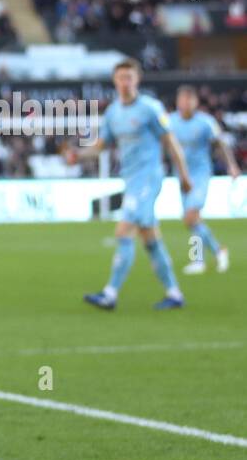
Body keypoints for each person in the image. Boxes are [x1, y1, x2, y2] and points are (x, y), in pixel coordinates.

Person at [70, 60, 191, 310]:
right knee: (150, 237)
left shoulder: (150, 108)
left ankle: (110, 294)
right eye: (120, 77)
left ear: (137, 79)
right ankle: (174, 293)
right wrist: (78, 156)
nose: (125, 82)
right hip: (131, 179)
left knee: (123, 231)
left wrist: (184, 176)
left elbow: (171, 142)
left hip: (148, 178)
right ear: (115, 81)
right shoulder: (113, 112)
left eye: (129, 77)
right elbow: (101, 145)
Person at [170, 85, 237, 274]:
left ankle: (207, 255)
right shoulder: (170, 122)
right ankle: (207, 256)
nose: (185, 103)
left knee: (191, 215)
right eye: (182, 100)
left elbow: (220, 143)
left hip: (200, 175)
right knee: (192, 220)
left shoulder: (205, 122)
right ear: (177, 102)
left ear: (196, 102)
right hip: (181, 176)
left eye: (189, 100)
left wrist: (231, 165)